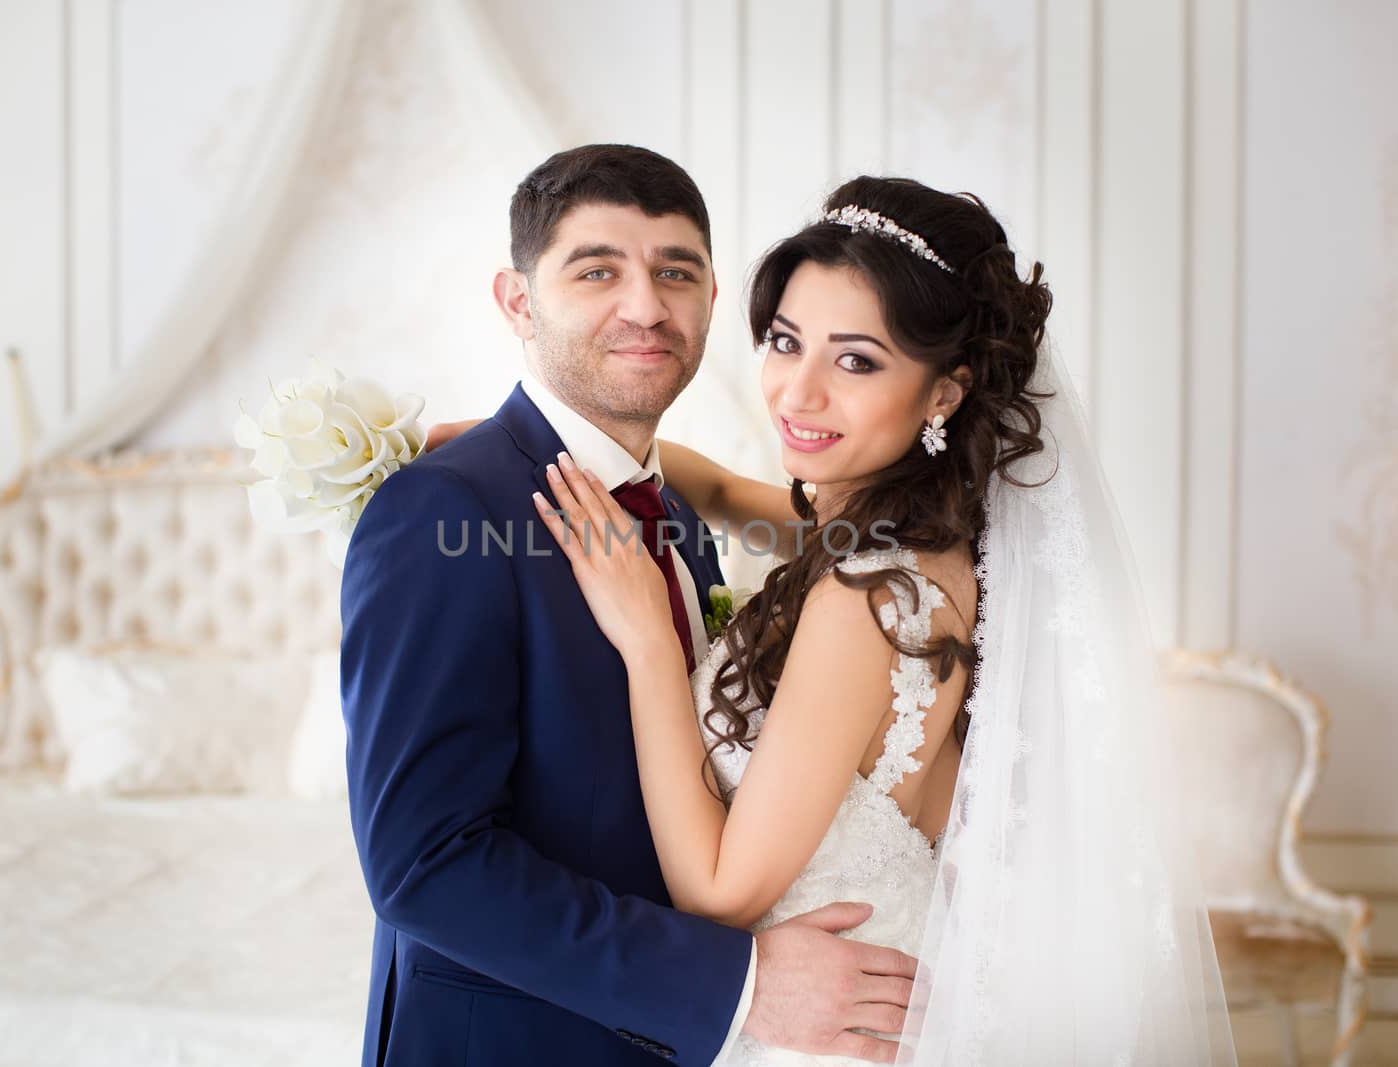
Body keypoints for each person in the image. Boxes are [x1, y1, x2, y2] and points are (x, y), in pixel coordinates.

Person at [511, 175, 1239, 1064]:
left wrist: (649, 646)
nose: (798, 392)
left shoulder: (867, 603)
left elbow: (717, 894)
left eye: (856, 360)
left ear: (943, 392)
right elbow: (721, 489)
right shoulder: (927, 544)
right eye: (786, 341)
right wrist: (518, 442)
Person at [339, 145, 921, 1067]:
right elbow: (424, 866)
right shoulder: (447, 508)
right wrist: (738, 985)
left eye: (675, 272)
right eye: (597, 269)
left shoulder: (678, 515)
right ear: (518, 302)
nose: (646, 305)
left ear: (713, 303)